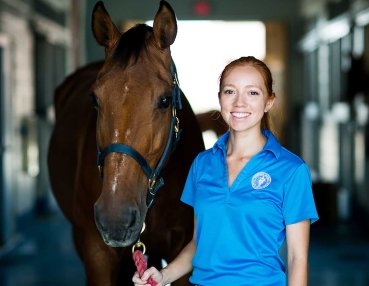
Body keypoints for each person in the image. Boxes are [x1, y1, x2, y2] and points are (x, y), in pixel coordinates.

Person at [132, 56, 318, 286]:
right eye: (230, 91)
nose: (239, 102)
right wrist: (164, 275)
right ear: (220, 98)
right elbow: (198, 243)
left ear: (269, 101)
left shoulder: (291, 170)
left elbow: (297, 258)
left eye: (252, 93)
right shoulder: (202, 164)